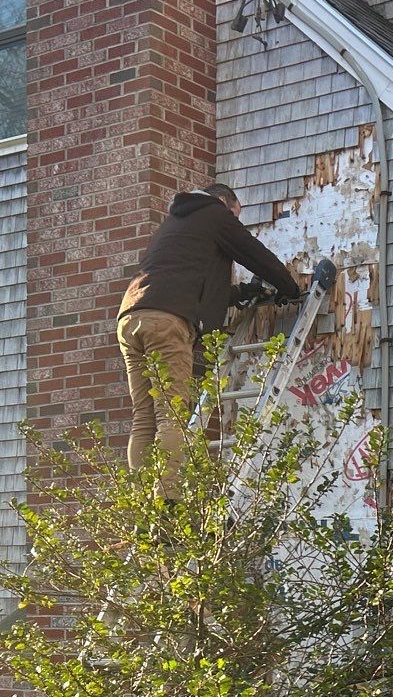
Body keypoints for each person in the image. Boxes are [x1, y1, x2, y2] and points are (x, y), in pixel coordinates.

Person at [117, 183, 302, 494]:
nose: (234, 221)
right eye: (235, 215)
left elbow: (195, 285)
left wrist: (243, 293)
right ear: (222, 201)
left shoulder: (177, 223)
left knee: (144, 417)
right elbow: (253, 253)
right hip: (168, 321)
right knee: (171, 414)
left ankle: (143, 507)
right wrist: (290, 288)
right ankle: (167, 506)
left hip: (131, 317)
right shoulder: (215, 214)